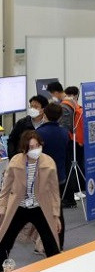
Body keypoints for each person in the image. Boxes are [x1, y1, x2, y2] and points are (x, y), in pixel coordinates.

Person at [0, 130, 61, 260]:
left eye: (37, 146)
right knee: (4, 241)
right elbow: (5, 189)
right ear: (24, 149)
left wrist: (55, 215)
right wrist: (2, 208)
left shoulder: (49, 163)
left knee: (52, 245)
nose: (35, 150)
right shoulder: (15, 162)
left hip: (40, 207)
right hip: (19, 206)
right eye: (31, 147)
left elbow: (54, 192)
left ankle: (56, 269)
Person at [38, 103, 69, 246]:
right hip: (60, 175)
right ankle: (59, 243)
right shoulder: (64, 132)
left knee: (43, 212)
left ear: (44, 114)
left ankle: (48, 244)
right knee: (58, 210)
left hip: (44, 177)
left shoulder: (39, 133)